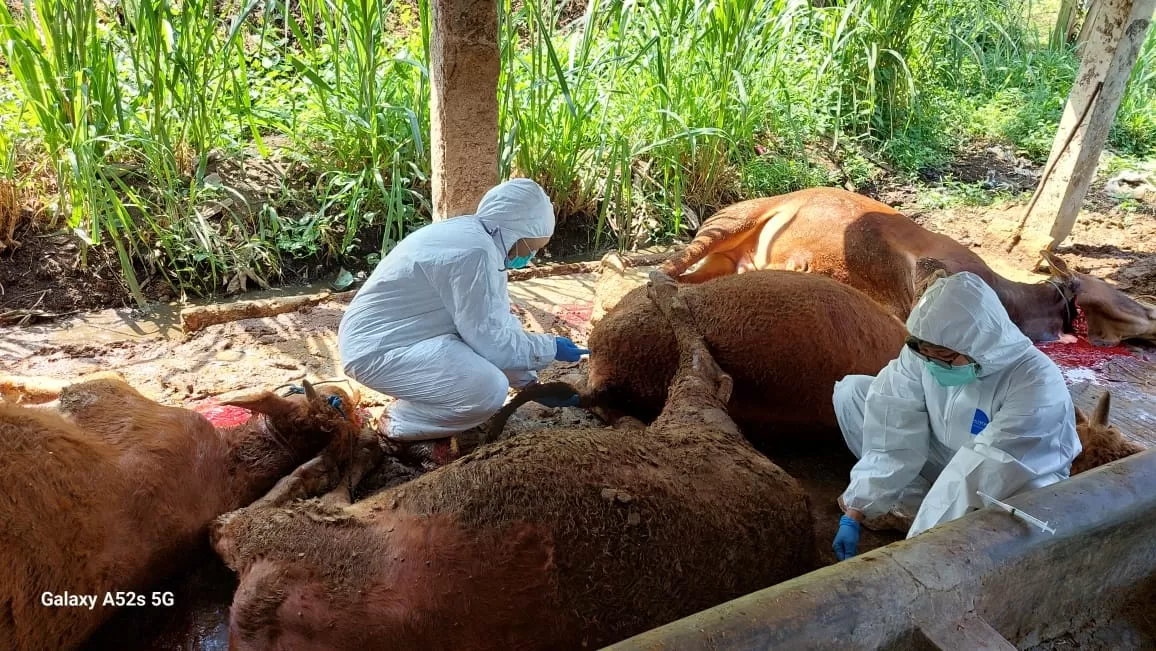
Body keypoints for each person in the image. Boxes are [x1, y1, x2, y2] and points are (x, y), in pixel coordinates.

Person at [831, 271, 1081, 561]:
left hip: (1009, 484)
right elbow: (891, 428)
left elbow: (978, 474)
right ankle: (915, 511)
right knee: (855, 392)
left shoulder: (1035, 382)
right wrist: (857, 508)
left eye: (945, 358)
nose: (933, 365)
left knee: (1005, 533)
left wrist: (915, 556)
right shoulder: (924, 353)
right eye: (927, 355)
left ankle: (935, 536)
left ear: (980, 344)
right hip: (950, 455)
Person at [337, 179, 589, 451]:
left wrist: (529, 386)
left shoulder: (479, 239)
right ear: (516, 232)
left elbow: (496, 323)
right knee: (488, 390)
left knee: (482, 361)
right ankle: (399, 422)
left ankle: (425, 402)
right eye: (532, 246)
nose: (531, 255)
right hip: (377, 349)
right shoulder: (475, 254)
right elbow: (492, 343)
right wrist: (550, 347)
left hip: (399, 335)